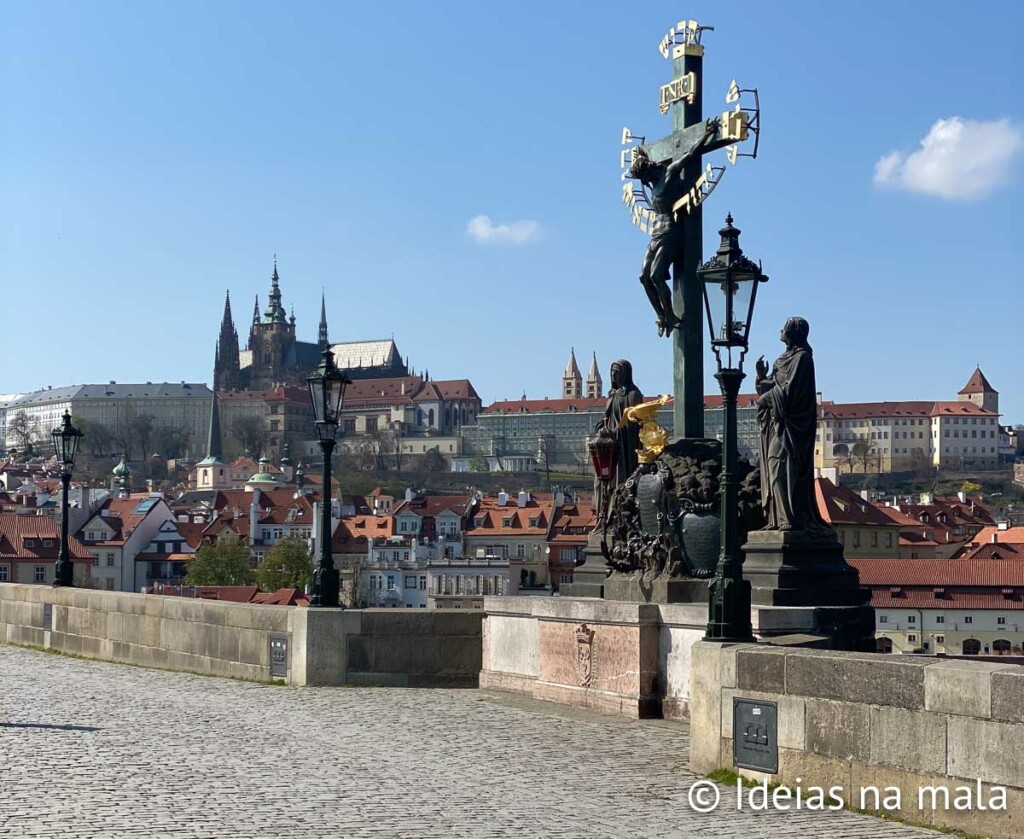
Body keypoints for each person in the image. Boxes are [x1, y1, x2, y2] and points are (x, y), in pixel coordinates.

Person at [628, 117, 719, 337]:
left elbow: (689, 156)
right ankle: (662, 315)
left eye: (645, 177)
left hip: (671, 231)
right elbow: (642, 160)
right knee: (643, 277)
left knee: (657, 275)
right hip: (656, 234)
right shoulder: (650, 180)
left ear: (650, 171)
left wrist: (706, 135)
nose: (644, 182)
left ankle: (670, 314)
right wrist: (639, 154)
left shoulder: (669, 173)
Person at [755, 317, 831, 533]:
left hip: (792, 428)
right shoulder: (781, 360)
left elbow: (792, 392)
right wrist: (761, 378)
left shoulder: (803, 359)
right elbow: (773, 387)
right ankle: (778, 518)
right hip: (778, 426)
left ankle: (790, 518)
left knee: (783, 470)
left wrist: (768, 397)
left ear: (793, 332)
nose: (780, 329)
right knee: (773, 469)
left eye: (784, 327)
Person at [596, 359, 644, 487]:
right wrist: (601, 428)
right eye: (612, 371)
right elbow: (605, 417)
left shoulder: (633, 394)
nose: (613, 374)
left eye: (617, 372)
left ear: (625, 374)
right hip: (608, 443)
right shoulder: (612, 395)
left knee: (618, 475)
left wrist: (616, 431)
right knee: (601, 476)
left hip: (623, 443)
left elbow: (633, 424)